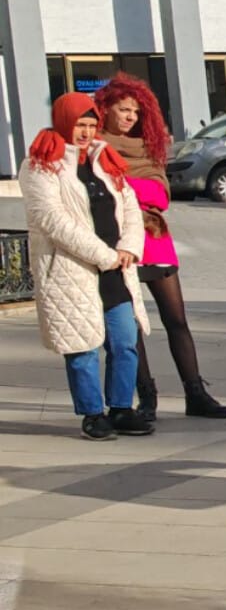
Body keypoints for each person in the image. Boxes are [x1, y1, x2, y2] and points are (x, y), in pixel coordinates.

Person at [95, 75, 226, 421]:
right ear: (106, 109)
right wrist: (128, 191)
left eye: (135, 112)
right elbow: (102, 194)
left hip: (154, 239)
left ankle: (195, 393)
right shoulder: (96, 147)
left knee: (176, 319)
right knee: (130, 324)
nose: (130, 117)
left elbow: (160, 195)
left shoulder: (148, 145)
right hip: (119, 242)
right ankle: (146, 397)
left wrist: (124, 187)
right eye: (123, 110)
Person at [19, 93, 153, 441]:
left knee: (125, 341)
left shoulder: (103, 158)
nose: (86, 132)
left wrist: (128, 248)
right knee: (82, 345)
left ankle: (121, 408)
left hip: (115, 268)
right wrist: (103, 254)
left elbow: (131, 207)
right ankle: (93, 414)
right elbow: (53, 220)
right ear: (65, 122)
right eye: (80, 124)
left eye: (92, 125)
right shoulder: (41, 163)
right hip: (71, 269)